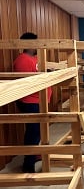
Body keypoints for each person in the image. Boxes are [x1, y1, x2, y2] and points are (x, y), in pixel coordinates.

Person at [13, 32, 52, 173]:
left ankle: (35, 154)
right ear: (28, 44)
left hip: (38, 100)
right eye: (35, 43)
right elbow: (27, 84)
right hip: (30, 101)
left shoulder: (35, 58)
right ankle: (28, 165)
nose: (37, 46)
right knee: (33, 132)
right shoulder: (22, 60)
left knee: (38, 131)